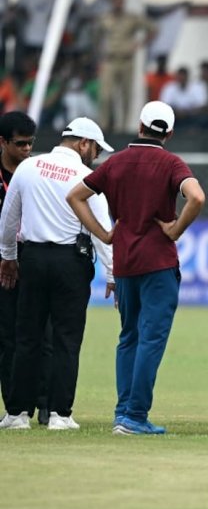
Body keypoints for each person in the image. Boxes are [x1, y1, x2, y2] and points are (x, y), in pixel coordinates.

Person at [67, 101, 206, 435]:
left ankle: (122, 412)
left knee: (128, 337)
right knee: (152, 338)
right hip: (158, 262)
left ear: (140, 125)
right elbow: (197, 197)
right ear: (168, 133)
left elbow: (75, 196)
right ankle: (135, 416)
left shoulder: (116, 163)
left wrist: (103, 233)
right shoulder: (171, 163)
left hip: (126, 262)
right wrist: (175, 229)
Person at [0, 117, 115, 431]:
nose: (96, 156)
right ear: (83, 144)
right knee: (66, 339)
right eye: (95, 149)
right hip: (70, 262)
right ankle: (59, 414)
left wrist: (8, 257)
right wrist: (113, 275)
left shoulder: (28, 168)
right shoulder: (86, 176)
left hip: (33, 259)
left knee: (27, 338)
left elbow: (9, 218)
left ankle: (17, 414)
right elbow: (101, 229)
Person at [0, 111, 35, 416]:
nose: (26, 150)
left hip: (32, 258)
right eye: (21, 144)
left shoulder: (35, 174)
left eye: (30, 144)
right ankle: (14, 407)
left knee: (41, 333)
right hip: (2, 262)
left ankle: (46, 404)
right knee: (7, 335)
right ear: (3, 142)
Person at [97, 0, 156, 132]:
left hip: (126, 60)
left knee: (125, 95)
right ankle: (104, 126)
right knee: (106, 96)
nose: (117, 3)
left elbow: (153, 29)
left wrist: (140, 44)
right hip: (110, 60)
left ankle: (122, 128)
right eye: (115, 0)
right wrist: (100, 51)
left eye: (120, 0)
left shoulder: (131, 18)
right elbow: (96, 36)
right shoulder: (105, 17)